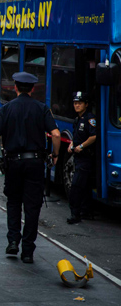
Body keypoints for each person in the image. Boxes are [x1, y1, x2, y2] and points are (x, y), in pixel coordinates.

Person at [0, 72, 60, 264]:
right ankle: (28, 250)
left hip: (14, 163)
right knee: (32, 206)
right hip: (35, 163)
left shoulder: (6, 109)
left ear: (15, 87)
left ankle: (13, 241)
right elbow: (56, 134)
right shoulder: (42, 108)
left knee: (13, 202)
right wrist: (55, 155)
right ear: (33, 89)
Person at [66, 92, 97, 224]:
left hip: (85, 158)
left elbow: (93, 136)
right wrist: (72, 144)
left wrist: (81, 147)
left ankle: (75, 214)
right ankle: (86, 211)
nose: (77, 105)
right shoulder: (77, 119)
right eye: (75, 103)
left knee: (76, 186)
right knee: (84, 186)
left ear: (86, 104)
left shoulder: (89, 119)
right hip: (79, 157)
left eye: (79, 103)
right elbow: (76, 136)